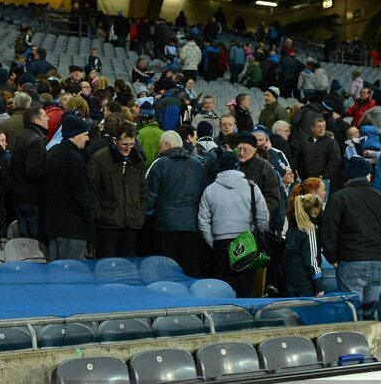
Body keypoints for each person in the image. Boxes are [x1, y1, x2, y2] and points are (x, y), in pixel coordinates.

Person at [320, 156, 381, 321]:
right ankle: (372, 346)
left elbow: (328, 232)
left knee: (353, 314)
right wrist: (377, 252)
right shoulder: (380, 198)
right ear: (368, 175)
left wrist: (332, 258)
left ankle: (357, 346)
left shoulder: (339, 197)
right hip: (377, 264)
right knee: (370, 314)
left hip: (351, 263)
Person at [198, 150, 269, 298]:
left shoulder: (210, 190)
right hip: (247, 241)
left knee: (225, 288)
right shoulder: (251, 187)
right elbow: (263, 215)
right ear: (237, 166)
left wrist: (212, 241)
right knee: (246, 288)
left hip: (221, 244)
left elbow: (203, 221)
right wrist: (258, 234)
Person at [145, 130, 206, 277]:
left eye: (160, 147)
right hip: (191, 225)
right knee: (188, 271)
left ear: (166, 145)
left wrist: (146, 216)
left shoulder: (159, 163)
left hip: (165, 225)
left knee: (165, 271)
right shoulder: (197, 164)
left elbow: (150, 196)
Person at [88, 121, 146, 258]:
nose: (128, 148)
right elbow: (91, 189)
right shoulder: (99, 160)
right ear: (115, 140)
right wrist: (99, 213)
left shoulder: (137, 160)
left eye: (132, 145)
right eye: (125, 144)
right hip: (107, 224)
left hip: (131, 223)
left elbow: (143, 189)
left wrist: (139, 211)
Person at [44, 114, 93, 261]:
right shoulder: (74, 159)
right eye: (85, 135)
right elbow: (82, 196)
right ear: (74, 135)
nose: (87, 139)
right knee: (71, 276)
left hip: (54, 226)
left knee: (55, 274)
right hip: (73, 229)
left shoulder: (53, 154)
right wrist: (90, 224)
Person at [10, 105, 49, 238]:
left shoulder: (19, 135)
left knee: (23, 240)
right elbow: (33, 170)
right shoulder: (36, 140)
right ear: (37, 121)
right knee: (34, 240)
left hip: (19, 194)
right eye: (44, 116)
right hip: (32, 196)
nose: (48, 118)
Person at [283, 193, 324, 298]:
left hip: (291, 281)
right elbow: (312, 260)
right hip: (305, 283)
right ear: (315, 209)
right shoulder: (310, 229)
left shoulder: (291, 230)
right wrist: (319, 285)